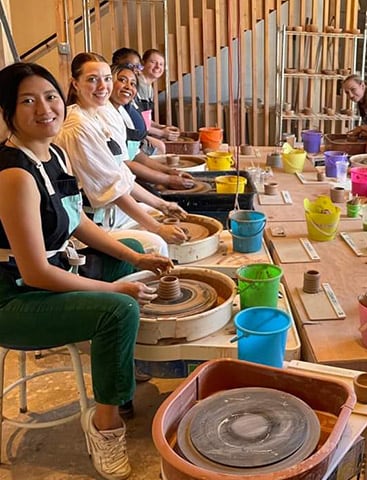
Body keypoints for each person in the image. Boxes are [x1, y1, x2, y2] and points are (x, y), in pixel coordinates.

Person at [0, 62, 174, 480]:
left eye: (49, 96)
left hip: (51, 273)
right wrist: (112, 289)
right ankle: (105, 424)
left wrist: (135, 261)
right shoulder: (14, 175)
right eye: (28, 100)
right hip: (15, 299)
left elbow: (77, 221)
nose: (44, 108)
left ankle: (119, 368)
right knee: (119, 309)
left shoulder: (52, 153)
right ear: (7, 112)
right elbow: (36, 272)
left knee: (133, 248)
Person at [54, 52, 187, 256]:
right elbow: (112, 188)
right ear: (75, 84)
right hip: (92, 224)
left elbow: (121, 173)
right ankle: (148, 286)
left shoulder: (104, 113)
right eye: (92, 80)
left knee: (158, 213)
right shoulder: (77, 127)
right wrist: (158, 228)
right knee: (157, 243)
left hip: (111, 212)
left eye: (106, 79)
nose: (102, 87)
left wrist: (164, 205)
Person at [109, 63, 194, 191]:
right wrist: (167, 179)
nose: (128, 87)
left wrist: (170, 172)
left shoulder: (122, 111)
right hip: (116, 183)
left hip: (128, 174)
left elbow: (136, 154)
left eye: (132, 84)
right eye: (122, 80)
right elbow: (125, 163)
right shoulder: (106, 116)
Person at [111, 47, 165, 155]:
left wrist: (161, 129)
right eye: (122, 80)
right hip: (135, 147)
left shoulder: (127, 100)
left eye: (138, 66)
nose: (136, 70)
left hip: (136, 145)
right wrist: (162, 132)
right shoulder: (114, 107)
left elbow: (145, 120)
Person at [136, 48, 180, 143]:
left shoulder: (149, 87)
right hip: (134, 133)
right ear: (143, 63)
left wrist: (162, 127)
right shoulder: (139, 84)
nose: (157, 67)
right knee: (160, 146)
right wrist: (162, 133)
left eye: (161, 64)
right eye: (153, 62)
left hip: (142, 130)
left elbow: (146, 120)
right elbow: (137, 121)